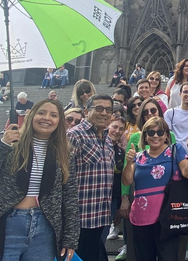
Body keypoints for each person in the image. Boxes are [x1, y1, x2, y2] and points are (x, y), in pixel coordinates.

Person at [0, 99, 79, 261]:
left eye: (53, 115)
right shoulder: (11, 145)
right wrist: (2, 145)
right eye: (41, 112)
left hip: (44, 226)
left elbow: (69, 197)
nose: (47, 118)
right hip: (7, 223)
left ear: (59, 122)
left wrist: (71, 236)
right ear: (31, 115)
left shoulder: (63, 153)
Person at [122, 117, 188, 261]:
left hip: (167, 218)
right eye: (151, 132)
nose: (155, 136)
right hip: (141, 218)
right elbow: (127, 181)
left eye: (160, 132)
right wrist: (129, 162)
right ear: (145, 136)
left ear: (166, 135)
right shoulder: (138, 157)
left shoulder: (176, 150)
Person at [67, 94, 116, 261]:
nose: (104, 113)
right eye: (99, 108)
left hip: (101, 217)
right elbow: (62, 176)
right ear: (87, 111)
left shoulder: (108, 140)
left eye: (108, 110)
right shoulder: (75, 135)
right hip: (79, 219)